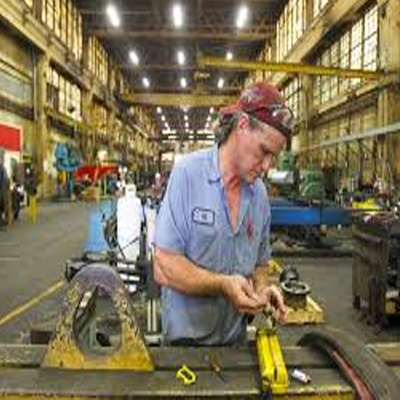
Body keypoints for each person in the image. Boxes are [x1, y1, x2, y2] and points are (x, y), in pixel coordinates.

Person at [154, 82, 294, 346]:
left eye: (273, 157)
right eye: (264, 151)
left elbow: (260, 265)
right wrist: (222, 285)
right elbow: (164, 266)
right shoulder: (188, 175)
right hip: (185, 348)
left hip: (234, 346)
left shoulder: (259, 195)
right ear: (242, 126)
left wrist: (263, 290)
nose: (267, 166)